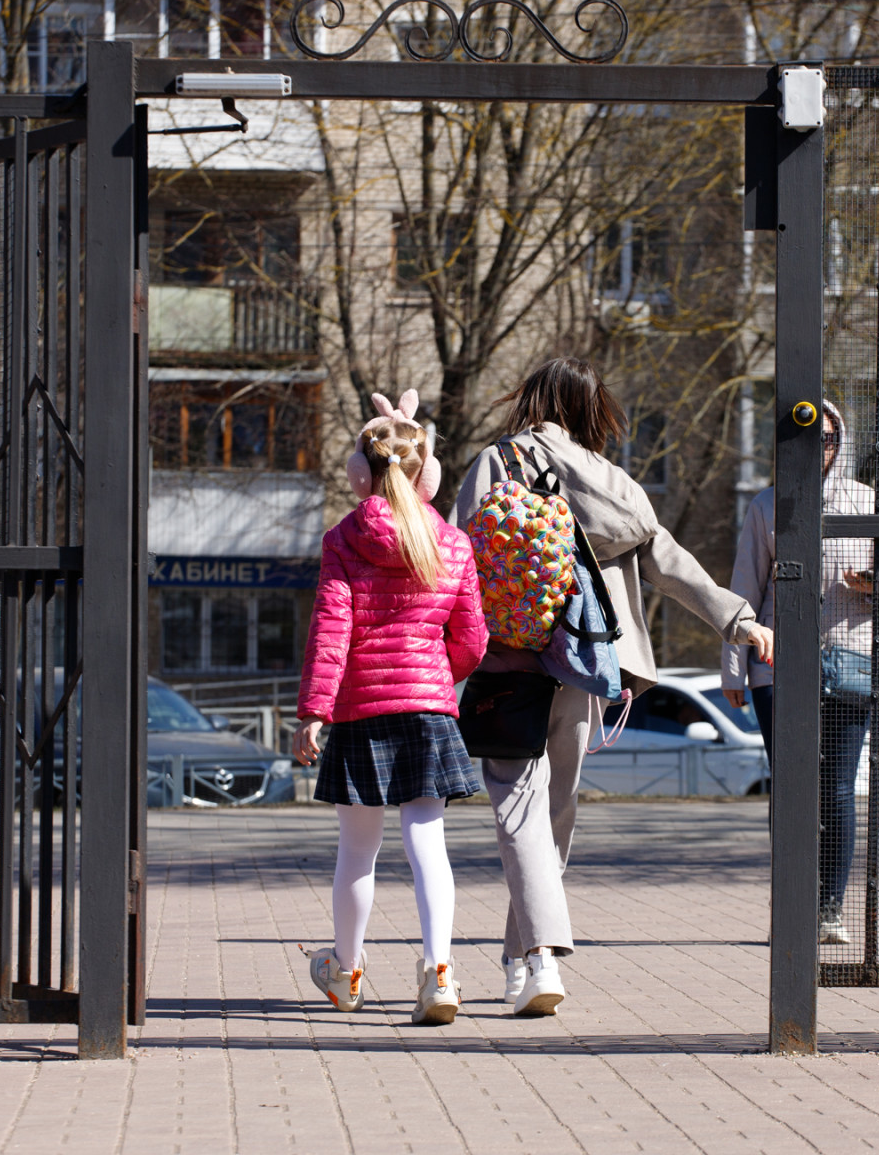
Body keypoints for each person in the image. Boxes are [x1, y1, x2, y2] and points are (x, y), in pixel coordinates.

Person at [452, 356, 776, 1015]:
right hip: (587, 659)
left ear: (535, 402)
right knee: (557, 810)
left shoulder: (498, 462)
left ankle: (537, 959)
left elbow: (459, 557)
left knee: (518, 807)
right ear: (591, 411)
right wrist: (737, 618)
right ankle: (523, 958)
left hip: (512, 657)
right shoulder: (621, 487)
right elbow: (669, 562)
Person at [293, 392, 488, 1026]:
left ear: (362, 471)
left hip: (359, 711)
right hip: (429, 711)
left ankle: (346, 973)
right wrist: (436, 678)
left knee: (358, 851)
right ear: (426, 471)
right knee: (427, 841)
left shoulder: (345, 538)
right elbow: (473, 639)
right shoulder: (453, 544)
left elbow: (332, 631)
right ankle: (439, 973)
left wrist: (313, 711)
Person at [721, 400, 879, 945]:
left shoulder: (865, 502)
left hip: (850, 660)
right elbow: (742, 592)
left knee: (839, 791)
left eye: (825, 438)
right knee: (791, 790)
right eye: (805, 439)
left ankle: (829, 909)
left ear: (839, 441)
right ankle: (793, 908)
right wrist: (733, 670)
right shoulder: (767, 505)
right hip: (780, 666)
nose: (816, 448)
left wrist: (870, 583)